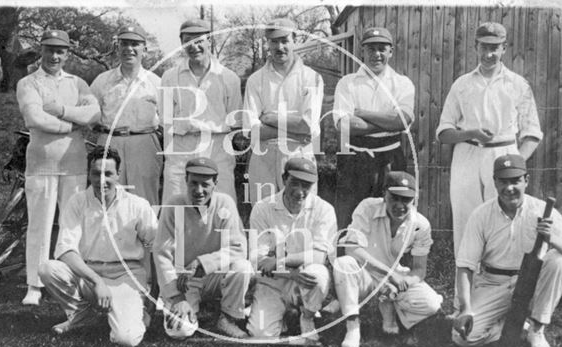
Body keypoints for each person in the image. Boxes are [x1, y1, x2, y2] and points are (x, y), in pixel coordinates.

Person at [436, 22, 543, 257]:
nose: (489, 54)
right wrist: (470, 134)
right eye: (484, 47)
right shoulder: (462, 84)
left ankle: (499, 282)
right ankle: (464, 286)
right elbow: (444, 132)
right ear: (476, 47)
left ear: (504, 48)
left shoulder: (517, 84)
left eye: (495, 48)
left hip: (504, 155)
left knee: (503, 218)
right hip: (466, 155)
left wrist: (515, 163)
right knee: (465, 219)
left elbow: (532, 133)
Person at [452, 154, 562, 347]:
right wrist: (465, 308)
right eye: (503, 181)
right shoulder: (481, 215)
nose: (509, 188)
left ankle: (536, 329)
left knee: (561, 261)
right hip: (492, 283)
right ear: (495, 182)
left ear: (526, 180)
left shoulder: (542, 210)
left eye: (515, 181)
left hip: (532, 281)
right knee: (463, 338)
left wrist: (553, 239)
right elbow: (465, 265)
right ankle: (510, 324)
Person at [39, 146, 158, 347]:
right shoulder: (77, 202)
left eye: (108, 174)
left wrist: (151, 305)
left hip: (125, 278)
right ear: (89, 175)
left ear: (119, 175)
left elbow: (159, 250)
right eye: (96, 173)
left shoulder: (138, 205)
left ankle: (128, 312)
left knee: (126, 339)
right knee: (47, 268)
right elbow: (65, 250)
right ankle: (81, 316)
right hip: (89, 275)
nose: (102, 180)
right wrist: (96, 281)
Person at [16, 30, 100, 305]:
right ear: (41, 50)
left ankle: (74, 279)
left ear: (67, 54)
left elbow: (93, 113)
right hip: (41, 162)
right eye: (49, 50)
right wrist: (71, 127)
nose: (54, 56)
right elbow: (34, 117)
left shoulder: (78, 83)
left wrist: (62, 110)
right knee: (39, 224)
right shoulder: (28, 82)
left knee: (73, 224)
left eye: (60, 51)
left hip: (74, 162)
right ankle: (35, 285)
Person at [333, 171, 443, 347]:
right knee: (344, 264)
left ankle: (392, 307)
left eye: (406, 199)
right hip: (364, 274)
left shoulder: (421, 224)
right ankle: (353, 327)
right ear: (384, 193)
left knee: (431, 304)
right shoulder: (367, 207)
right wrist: (390, 274)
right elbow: (352, 248)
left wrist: (403, 283)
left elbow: (419, 270)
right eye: (394, 198)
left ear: (414, 199)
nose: (400, 205)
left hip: (392, 278)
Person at [153, 157, 252, 339]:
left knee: (242, 268)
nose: (199, 191)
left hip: (214, 276)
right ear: (186, 181)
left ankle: (227, 318)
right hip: (184, 281)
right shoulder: (173, 205)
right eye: (194, 183)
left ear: (215, 183)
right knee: (180, 332)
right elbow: (161, 254)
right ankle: (192, 309)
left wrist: (201, 263)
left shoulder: (225, 203)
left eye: (205, 184)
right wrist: (176, 298)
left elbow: (238, 248)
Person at [247, 158, 336, 344]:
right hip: (272, 281)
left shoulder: (324, 209)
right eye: (294, 183)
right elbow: (258, 259)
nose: (300, 191)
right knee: (260, 334)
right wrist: (291, 273)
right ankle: (287, 313)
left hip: (304, 278)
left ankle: (307, 316)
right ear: (283, 178)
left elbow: (319, 256)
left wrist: (281, 262)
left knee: (318, 274)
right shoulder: (262, 208)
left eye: (306, 185)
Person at [332, 27, 415, 228]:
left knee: (391, 215)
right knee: (349, 217)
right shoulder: (347, 83)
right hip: (354, 160)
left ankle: (388, 258)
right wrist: (387, 122)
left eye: (381, 49)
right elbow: (344, 124)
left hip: (390, 159)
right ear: (362, 51)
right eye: (371, 49)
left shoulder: (402, 83)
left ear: (391, 52)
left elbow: (402, 121)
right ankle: (346, 259)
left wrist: (362, 113)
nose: (376, 54)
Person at [159, 19, 242, 204]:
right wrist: (171, 156)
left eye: (199, 41)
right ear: (181, 43)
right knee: (176, 204)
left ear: (209, 41)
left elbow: (235, 121)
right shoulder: (169, 77)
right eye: (188, 41)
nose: (194, 46)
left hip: (217, 146)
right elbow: (165, 120)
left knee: (222, 203)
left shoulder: (229, 78)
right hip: (181, 146)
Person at [243, 18, 324, 205]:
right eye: (274, 41)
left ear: (295, 40)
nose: (279, 47)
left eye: (284, 40)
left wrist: (269, 118)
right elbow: (251, 130)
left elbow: (307, 125)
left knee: (301, 215)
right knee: (264, 215)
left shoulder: (312, 77)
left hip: (298, 153)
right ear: (267, 44)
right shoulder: (255, 80)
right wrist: (292, 130)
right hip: (263, 156)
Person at [90, 25, 163, 207]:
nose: (129, 49)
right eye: (124, 43)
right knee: (106, 197)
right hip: (109, 141)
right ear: (117, 47)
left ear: (144, 50)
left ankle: (148, 236)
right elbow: (88, 114)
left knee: (144, 199)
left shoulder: (156, 82)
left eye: (135, 44)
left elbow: (167, 119)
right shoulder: (102, 80)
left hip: (144, 143)